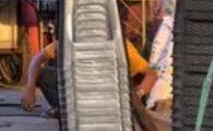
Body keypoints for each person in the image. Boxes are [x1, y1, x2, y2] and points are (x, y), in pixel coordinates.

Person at [21, 38, 158, 114]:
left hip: (105, 97)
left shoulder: (120, 45)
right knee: (43, 74)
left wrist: (138, 94)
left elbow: (151, 74)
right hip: (79, 89)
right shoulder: (71, 36)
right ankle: (65, 111)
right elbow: (38, 58)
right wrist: (30, 87)